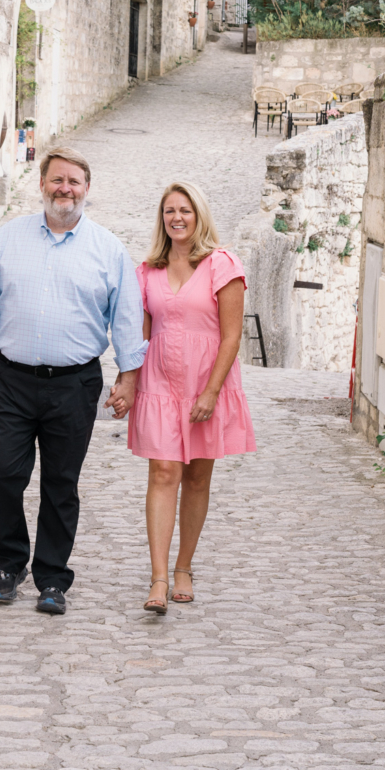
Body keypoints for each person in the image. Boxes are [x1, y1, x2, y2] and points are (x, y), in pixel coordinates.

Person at [0, 147, 147, 615]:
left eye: (74, 182)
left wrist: (128, 379)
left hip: (75, 384)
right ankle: (9, 565)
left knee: (60, 483)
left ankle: (51, 578)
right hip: (13, 380)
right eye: (57, 180)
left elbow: (126, 319)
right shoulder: (7, 239)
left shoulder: (108, 249)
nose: (65, 189)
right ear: (41, 184)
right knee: (1, 471)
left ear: (86, 189)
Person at [126, 180, 256, 613]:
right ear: (161, 219)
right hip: (160, 384)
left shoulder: (222, 264)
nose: (177, 218)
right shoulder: (147, 270)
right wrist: (127, 381)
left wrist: (212, 391)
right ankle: (158, 577)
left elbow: (232, 337)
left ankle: (184, 566)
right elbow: (140, 335)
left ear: (199, 216)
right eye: (169, 212)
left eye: (185, 210)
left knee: (197, 477)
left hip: (207, 385)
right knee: (163, 473)